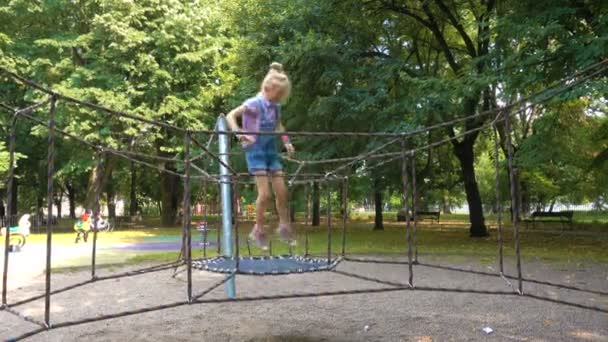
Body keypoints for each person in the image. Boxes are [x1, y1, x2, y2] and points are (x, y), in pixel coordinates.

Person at [226, 62, 295, 250]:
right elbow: (231, 115)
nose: (280, 98)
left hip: (271, 151)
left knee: (282, 191)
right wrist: (239, 133)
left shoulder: (275, 107)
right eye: (278, 95)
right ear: (268, 89)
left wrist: (287, 141)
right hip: (255, 151)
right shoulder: (253, 104)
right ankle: (258, 229)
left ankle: (283, 226)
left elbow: (279, 125)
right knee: (265, 195)